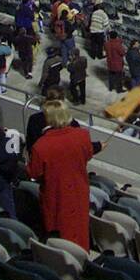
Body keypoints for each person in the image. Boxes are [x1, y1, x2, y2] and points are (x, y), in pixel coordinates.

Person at [27, 99, 96, 250]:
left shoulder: (40, 146)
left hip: (54, 194)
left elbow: (34, 172)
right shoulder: (83, 136)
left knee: (58, 232)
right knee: (79, 229)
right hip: (79, 191)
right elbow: (88, 154)